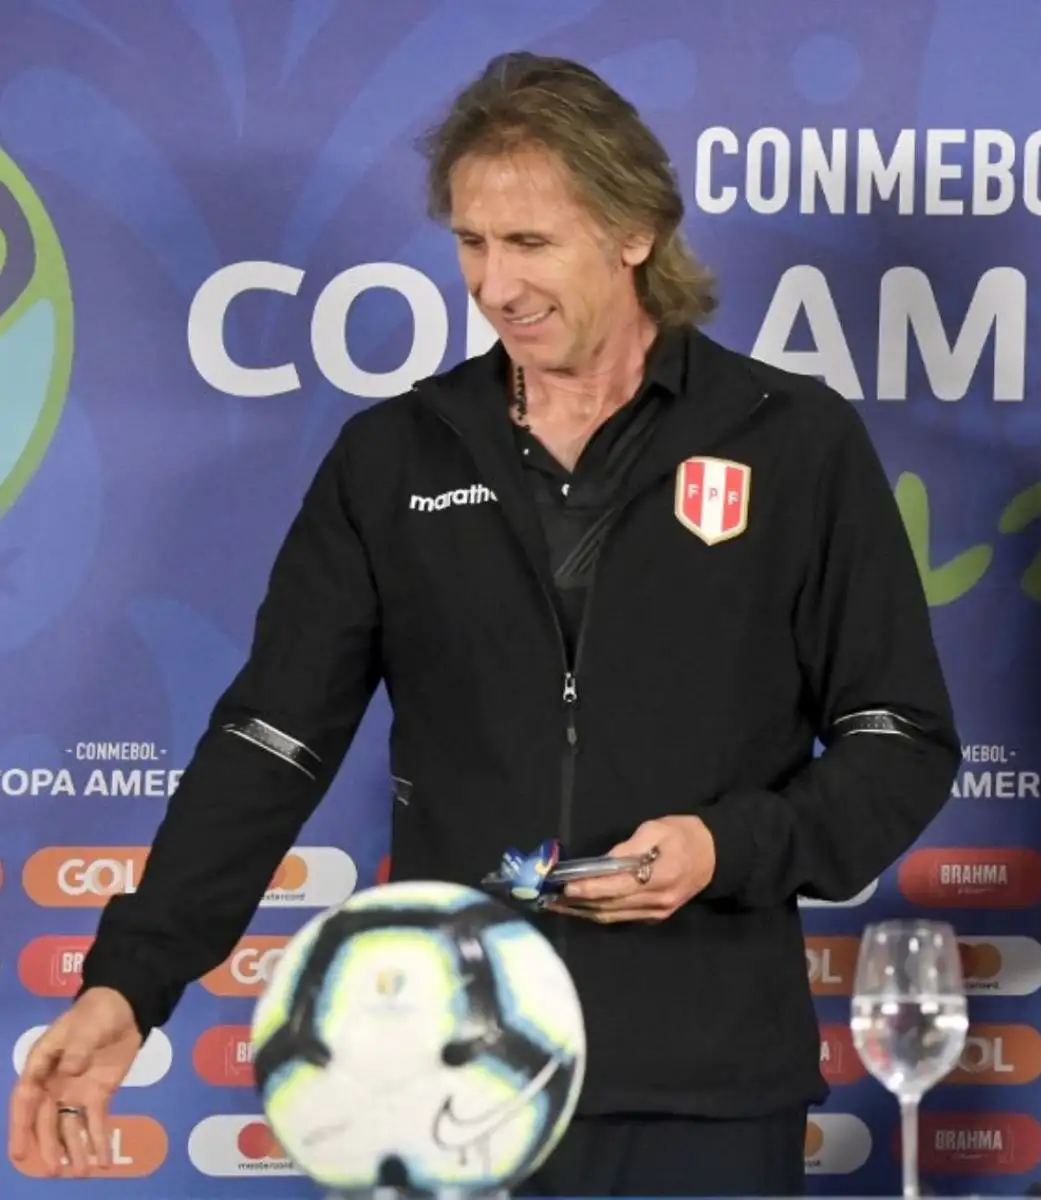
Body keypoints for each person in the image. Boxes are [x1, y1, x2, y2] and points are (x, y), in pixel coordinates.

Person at [7, 52, 959, 1197]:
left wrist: (727, 848)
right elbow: (269, 742)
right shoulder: (395, 455)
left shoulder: (795, 441)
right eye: (472, 243)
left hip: (702, 1085)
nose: (495, 284)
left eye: (531, 243)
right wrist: (128, 983)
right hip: (442, 1092)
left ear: (635, 231)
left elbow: (898, 737)